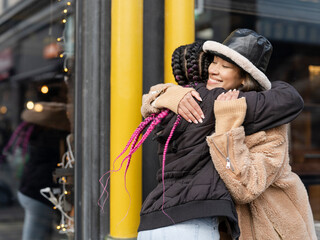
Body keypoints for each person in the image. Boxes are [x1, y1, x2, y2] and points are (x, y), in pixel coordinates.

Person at [137, 29, 311, 239]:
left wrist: (228, 129)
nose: (214, 70)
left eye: (225, 66)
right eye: (215, 62)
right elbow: (150, 101)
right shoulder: (205, 103)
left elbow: (245, 188)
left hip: (272, 231)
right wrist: (171, 94)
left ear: (244, 80)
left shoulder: (271, 126)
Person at [4, 102, 70, 240]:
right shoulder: (53, 140)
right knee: (36, 234)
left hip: (30, 192)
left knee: (38, 233)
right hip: (39, 194)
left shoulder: (34, 135)